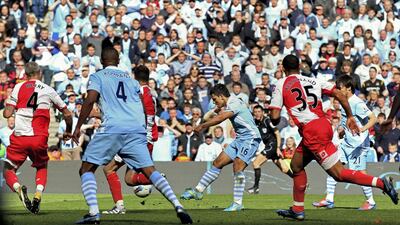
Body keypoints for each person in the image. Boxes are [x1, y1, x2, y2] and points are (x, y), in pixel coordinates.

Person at [65, 48, 192, 224]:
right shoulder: (131, 81)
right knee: (150, 171)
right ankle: (178, 206)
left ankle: (94, 213)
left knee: (86, 169)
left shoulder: (98, 76)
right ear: (118, 60)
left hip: (113, 127)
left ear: (102, 61)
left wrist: (78, 126)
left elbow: (90, 99)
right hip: (135, 129)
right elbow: (140, 105)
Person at [270, 55, 398, 221]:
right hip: (323, 125)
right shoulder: (313, 80)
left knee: (338, 174)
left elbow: (274, 116)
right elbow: (339, 93)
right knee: (296, 165)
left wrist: (276, 116)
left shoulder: (281, 84)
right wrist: (350, 116)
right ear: (300, 67)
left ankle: (382, 184)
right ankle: (297, 209)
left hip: (312, 131)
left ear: (283, 69)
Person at [2, 62, 73, 214]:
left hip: (20, 137)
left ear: (25, 75)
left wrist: (11, 104)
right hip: (38, 138)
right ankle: (38, 193)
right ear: (40, 73)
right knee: (41, 166)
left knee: (8, 170)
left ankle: (17, 187)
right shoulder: (48, 89)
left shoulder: (18, 87)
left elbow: (7, 114)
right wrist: (68, 131)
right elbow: (67, 114)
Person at [181, 84, 261, 211]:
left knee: (238, 167)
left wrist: (202, 126)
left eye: (214, 99)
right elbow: (221, 113)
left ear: (221, 96)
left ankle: (237, 203)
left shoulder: (234, 102)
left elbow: (221, 118)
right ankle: (198, 191)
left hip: (250, 139)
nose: (214, 102)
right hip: (240, 139)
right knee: (218, 162)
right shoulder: (231, 103)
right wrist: (218, 109)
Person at [312, 75, 378, 210]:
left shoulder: (357, 102)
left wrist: (362, 128)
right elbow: (347, 119)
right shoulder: (344, 101)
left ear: (348, 88)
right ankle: (329, 199)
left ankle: (371, 201)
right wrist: (342, 130)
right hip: (346, 142)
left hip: (358, 145)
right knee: (333, 166)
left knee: (359, 173)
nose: (337, 90)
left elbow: (373, 118)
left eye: (339, 88)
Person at [101, 65, 159, 215]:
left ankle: (119, 207)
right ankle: (152, 178)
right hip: (146, 139)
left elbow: (143, 117)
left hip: (137, 139)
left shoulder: (140, 93)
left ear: (134, 77)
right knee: (129, 179)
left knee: (108, 168)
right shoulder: (150, 94)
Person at [247, 105, 293, 194]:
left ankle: (256, 187)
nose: (257, 114)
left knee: (256, 163)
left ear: (262, 112)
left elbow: (277, 133)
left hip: (272, 145)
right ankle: (302, 183)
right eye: (255, 112)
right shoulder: (256, 123)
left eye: (259, 112)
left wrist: (278, 148)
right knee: (284, 169)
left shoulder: (267, 120)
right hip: (268, 146)